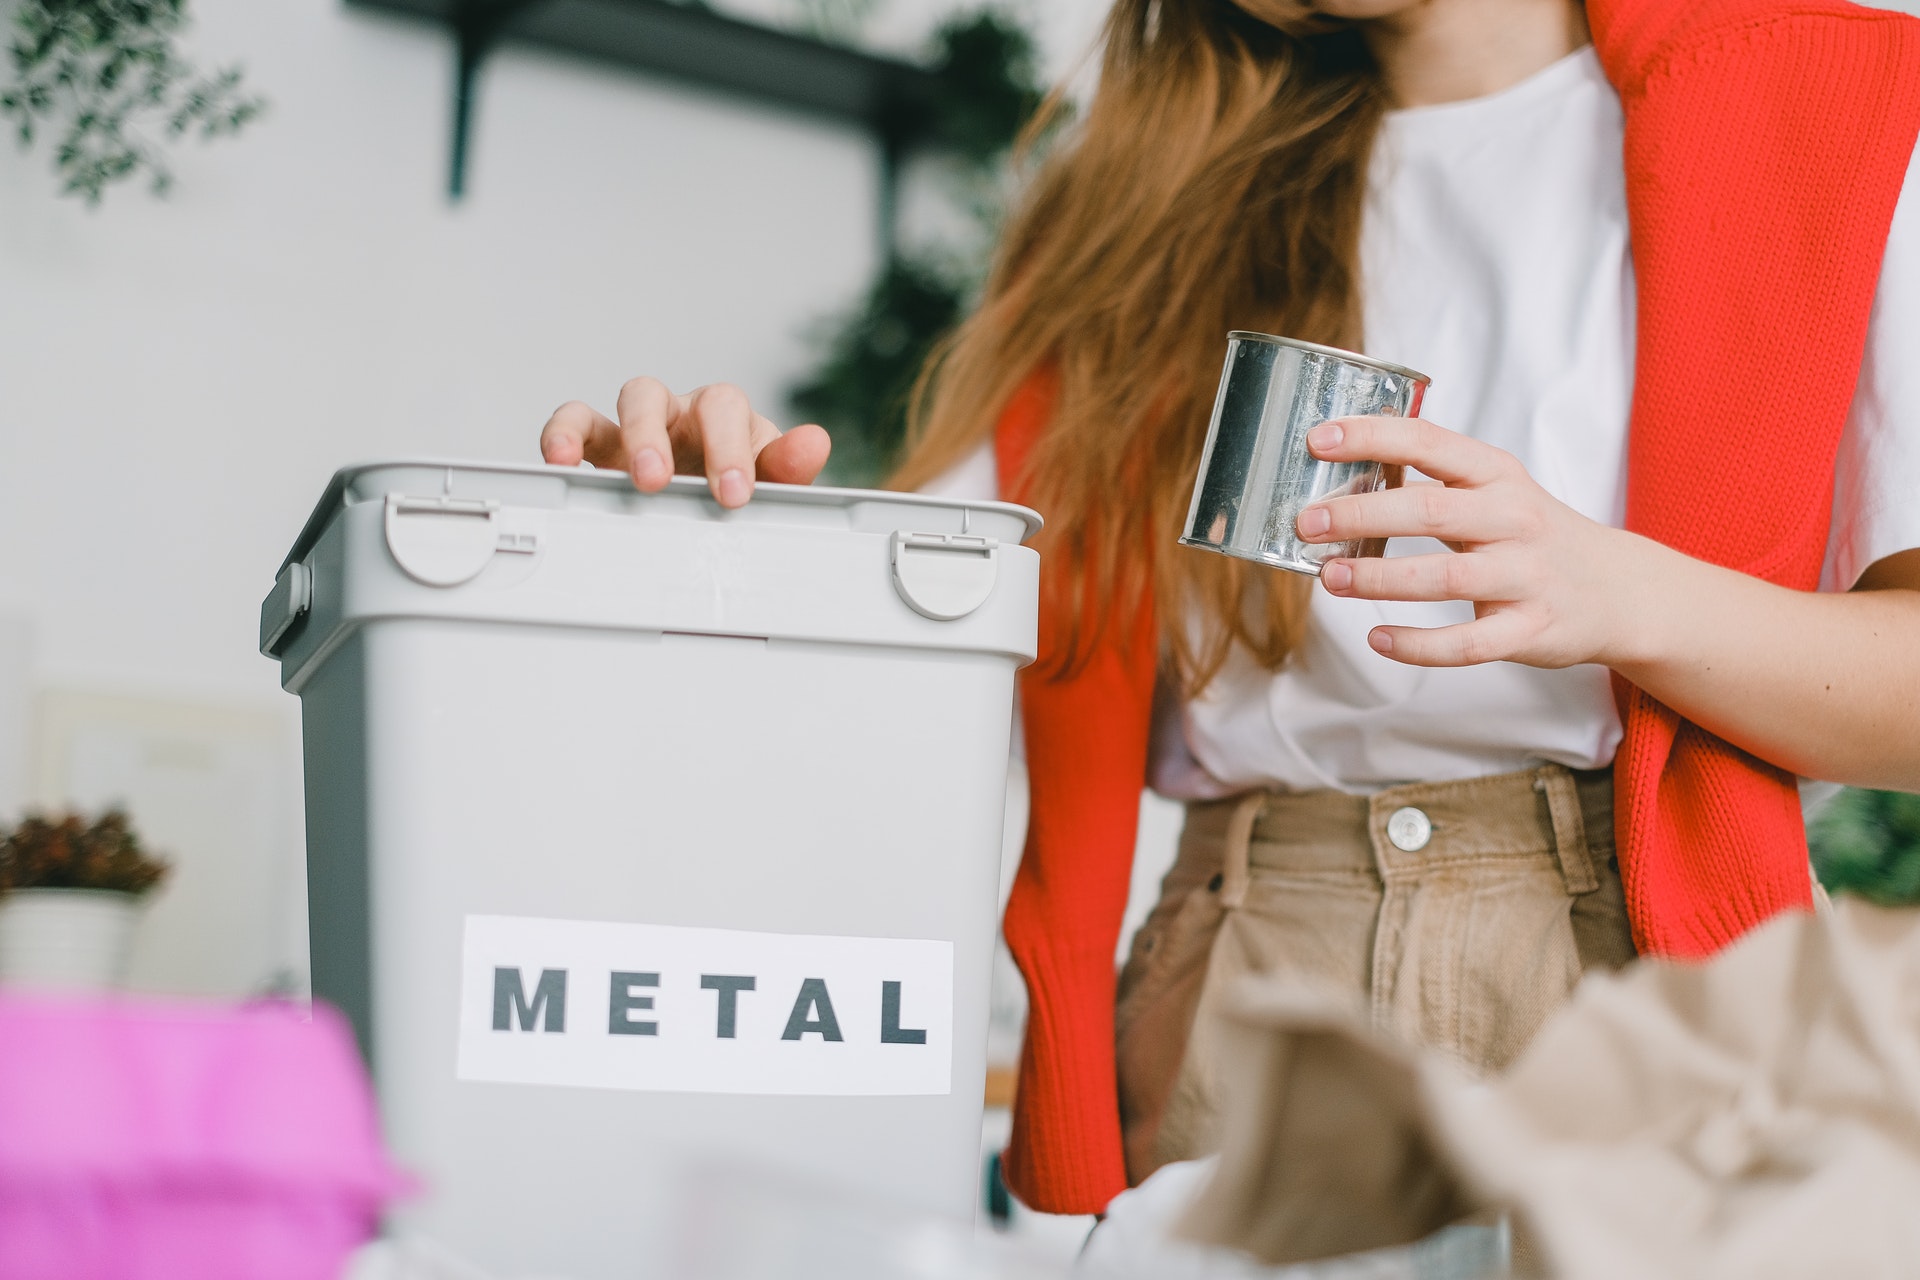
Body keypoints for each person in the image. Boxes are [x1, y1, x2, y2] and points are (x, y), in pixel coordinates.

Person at [539, 0, 1920, 1218]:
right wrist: (699, 531)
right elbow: (913, 644)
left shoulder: (1842, 104)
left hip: (1644, 982)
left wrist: (1630, 595)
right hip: (1244, 987)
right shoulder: (1135, 206)